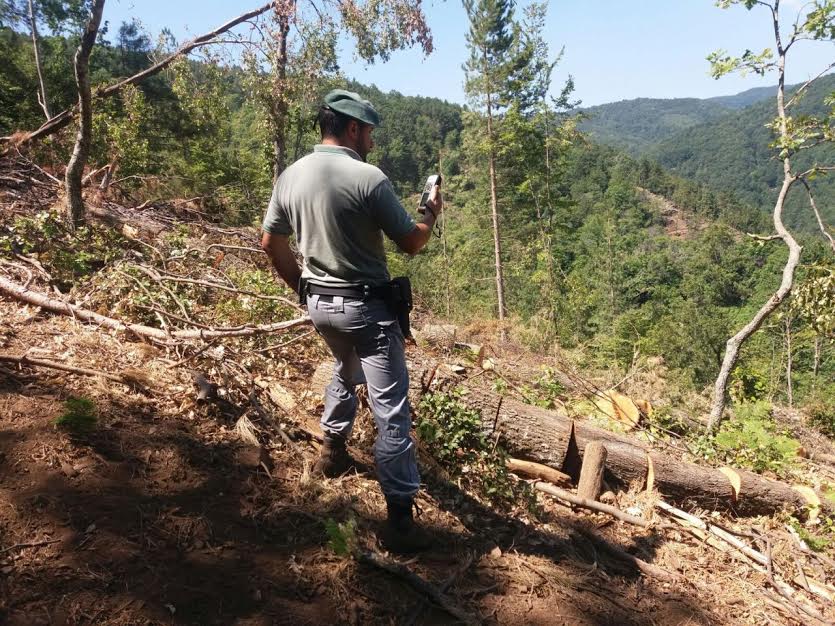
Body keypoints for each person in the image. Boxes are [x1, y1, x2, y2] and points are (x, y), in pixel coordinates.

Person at [260, 89, 443, 554]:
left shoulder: (291, 176)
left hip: (322, 306)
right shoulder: (368, 179)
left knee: (345, 367)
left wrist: (301, 286)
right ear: (353, 128)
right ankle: (400, 517)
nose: (373, 143)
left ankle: (331, 450)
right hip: (369, 310)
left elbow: (270, 242)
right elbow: (412, 243)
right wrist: (430, 213)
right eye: (370, 133)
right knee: (391, 411)